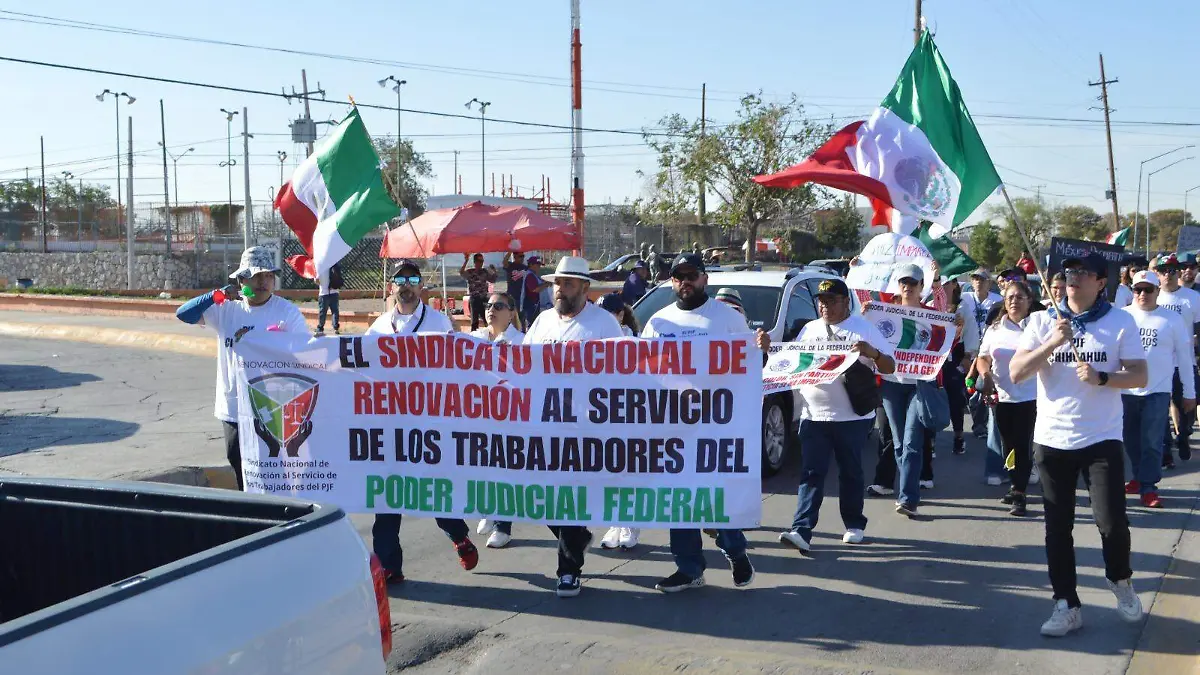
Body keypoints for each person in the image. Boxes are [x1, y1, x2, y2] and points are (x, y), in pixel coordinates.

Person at [1010, 252, 1147, 637]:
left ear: (1101, 282)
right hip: (1053, 439)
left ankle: (1120, 579)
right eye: (1069, 273)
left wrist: (1104, 378)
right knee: (1058, 528)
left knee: (1112, 522)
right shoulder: (1042, 320)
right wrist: (1052, 342)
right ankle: (1066, 605)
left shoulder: (1121, 321)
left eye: (1083, 273)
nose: (1073, 279)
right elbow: (1018, 372)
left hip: (1101, 437)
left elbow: (1139, 374)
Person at [641, 252, 770, 592]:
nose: (685, 281)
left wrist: (762, 350)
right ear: (671, 282)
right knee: (678, 501)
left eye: (692, 274)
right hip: (672, 427)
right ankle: (689, 569)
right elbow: (642, 372)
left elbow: (750, 365)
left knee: (715, 499)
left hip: (716, 426)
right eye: (678, 276)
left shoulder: (726, 318)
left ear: (704, 279)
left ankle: (735, 552)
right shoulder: (658, 322)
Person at [365, 260, 479, 582]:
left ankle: (459, 535)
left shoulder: (439, 323)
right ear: (391, 288)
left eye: (412, 279)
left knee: (432, 491)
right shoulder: (378, 328)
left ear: (421, 286)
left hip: (429, 424)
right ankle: (389, 566)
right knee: (387, 496)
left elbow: (455, 369)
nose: (406, 285)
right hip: (389, 426)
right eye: (400, 280)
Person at [524, 255, 625, 597]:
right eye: (556, 283)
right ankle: (578, 537)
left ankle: (568, 571)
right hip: (544, 426)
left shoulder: (603, 324)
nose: (560, 289)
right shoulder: (541, 323)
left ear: (584, 288)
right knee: (539, 496)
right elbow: (522, 367)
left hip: (583, 429)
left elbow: (621, 375)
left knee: (566, 498)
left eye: (567, 283)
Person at [175, 246, 308, 490]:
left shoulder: (286, 313)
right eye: (256, 276)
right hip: (234, 409)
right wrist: (216, 296)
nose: (263, 281)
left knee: (275, 470)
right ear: (241, 280)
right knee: (239, 466)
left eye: (268, 275)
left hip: (274, 408)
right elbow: (183, 313)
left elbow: (305, 355)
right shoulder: (226, 310)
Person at [778, 278, 896, 553]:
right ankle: (801, 529)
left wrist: (873, 353)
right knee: (811, 473)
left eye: (831, 300)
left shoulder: (863, 329)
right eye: (821, 301)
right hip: (813, 415)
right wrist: (767, 350)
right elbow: (793, 362)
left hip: (851, 419)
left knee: (850, 472)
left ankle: (854, 524)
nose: (825, 306)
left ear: (846, 302)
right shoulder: (809, 329)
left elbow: (889, 366)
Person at [877, 263, 950, 518]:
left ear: (921, 287)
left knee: (911, 442)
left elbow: (943, 308)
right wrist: (857, 272)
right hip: (891, 385)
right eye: (903, 283)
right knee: (898, 443)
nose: (907, 287)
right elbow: (866, 308)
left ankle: (908, 498)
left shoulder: (931, 314)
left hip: (920, 386)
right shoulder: (887, 312)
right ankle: (908, 488)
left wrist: (937, 278)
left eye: (913, 283)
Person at [1121, 270, 1195, 508]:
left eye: (1148, 289)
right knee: (1129, 439)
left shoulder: (1171, 320)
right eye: (1137, 289)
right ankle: (1136, 476)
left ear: (1157, 291)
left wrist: (1189, 393)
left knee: (1152, 441)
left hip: (1157, 390)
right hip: (1125, 391)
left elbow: (1185, 358)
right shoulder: (1121, 317)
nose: (1142, 294)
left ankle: (1149, 487)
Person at [975, 280, 1038, 516]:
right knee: (1008, 447)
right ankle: (1014, 483)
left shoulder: (1037, 326)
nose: (1014, 301)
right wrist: (986, 374)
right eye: (1010, 297)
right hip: (1001, 397)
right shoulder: (995, 329)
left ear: (1029, 301)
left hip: (1030, 396)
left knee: (1022, 446)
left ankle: (1020, 493)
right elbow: (983, 358)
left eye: (1019, 297)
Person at [471, 291, 525, 547]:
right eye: (489, 305)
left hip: (509, 417)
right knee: (481, 467)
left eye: (500, 305)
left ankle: (504, 526)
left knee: (505, 470)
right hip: (479, 414)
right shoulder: (474, 338)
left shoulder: (523, 341)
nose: (492, 309)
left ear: (512, 312)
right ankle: (488, 511)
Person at [1152, 253, 1200, 468]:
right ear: (1157, 274)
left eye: (1172, 271)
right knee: (1160, 407)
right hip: (1159, 363)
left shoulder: (1192, 298)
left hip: (1185, 362)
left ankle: (1183, 435)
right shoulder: (1153, 296)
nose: (1168, 275)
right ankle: (1165, 450)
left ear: (1178, 273)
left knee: (1187, 406)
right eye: (1163, 271)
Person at [964, 269, 1003, 438]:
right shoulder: (965, 299)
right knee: (968, 390)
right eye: (975, 279)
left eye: (982, 279)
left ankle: (981, 425)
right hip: (966, 351)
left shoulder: (997, 301)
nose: (979, 282)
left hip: (986, 353)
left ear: (989, 283)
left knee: (981, 390)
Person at [460, 253, 498, 331]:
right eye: (479, 261)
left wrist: (495, 271)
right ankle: (474, 337)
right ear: (475, 262)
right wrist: (466, 260)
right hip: (474, 299)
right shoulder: (470, 272)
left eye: (482, 261)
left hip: (483, 298)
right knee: (474, 322)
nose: (481, 263)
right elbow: (461, 273)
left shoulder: (485, 271)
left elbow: (493, 280)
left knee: (487, 319)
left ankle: (490, 336)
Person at [521, 256, 551, 327]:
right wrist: (546, 284)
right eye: (537, 265)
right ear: (531, 265)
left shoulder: (533, 274)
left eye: (540, 265)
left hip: (534, 305)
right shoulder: (530, 275)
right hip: (531, 305)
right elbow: (535, 289)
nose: (539, 267)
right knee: (532, 326)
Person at [315, 262, 343, 336]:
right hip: (335, 291)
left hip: (323, 293)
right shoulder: (335, 264)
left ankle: (320, 328)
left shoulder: (319, 267)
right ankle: (336, 328)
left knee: (322, 311)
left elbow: (317, 281)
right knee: (335, 311)